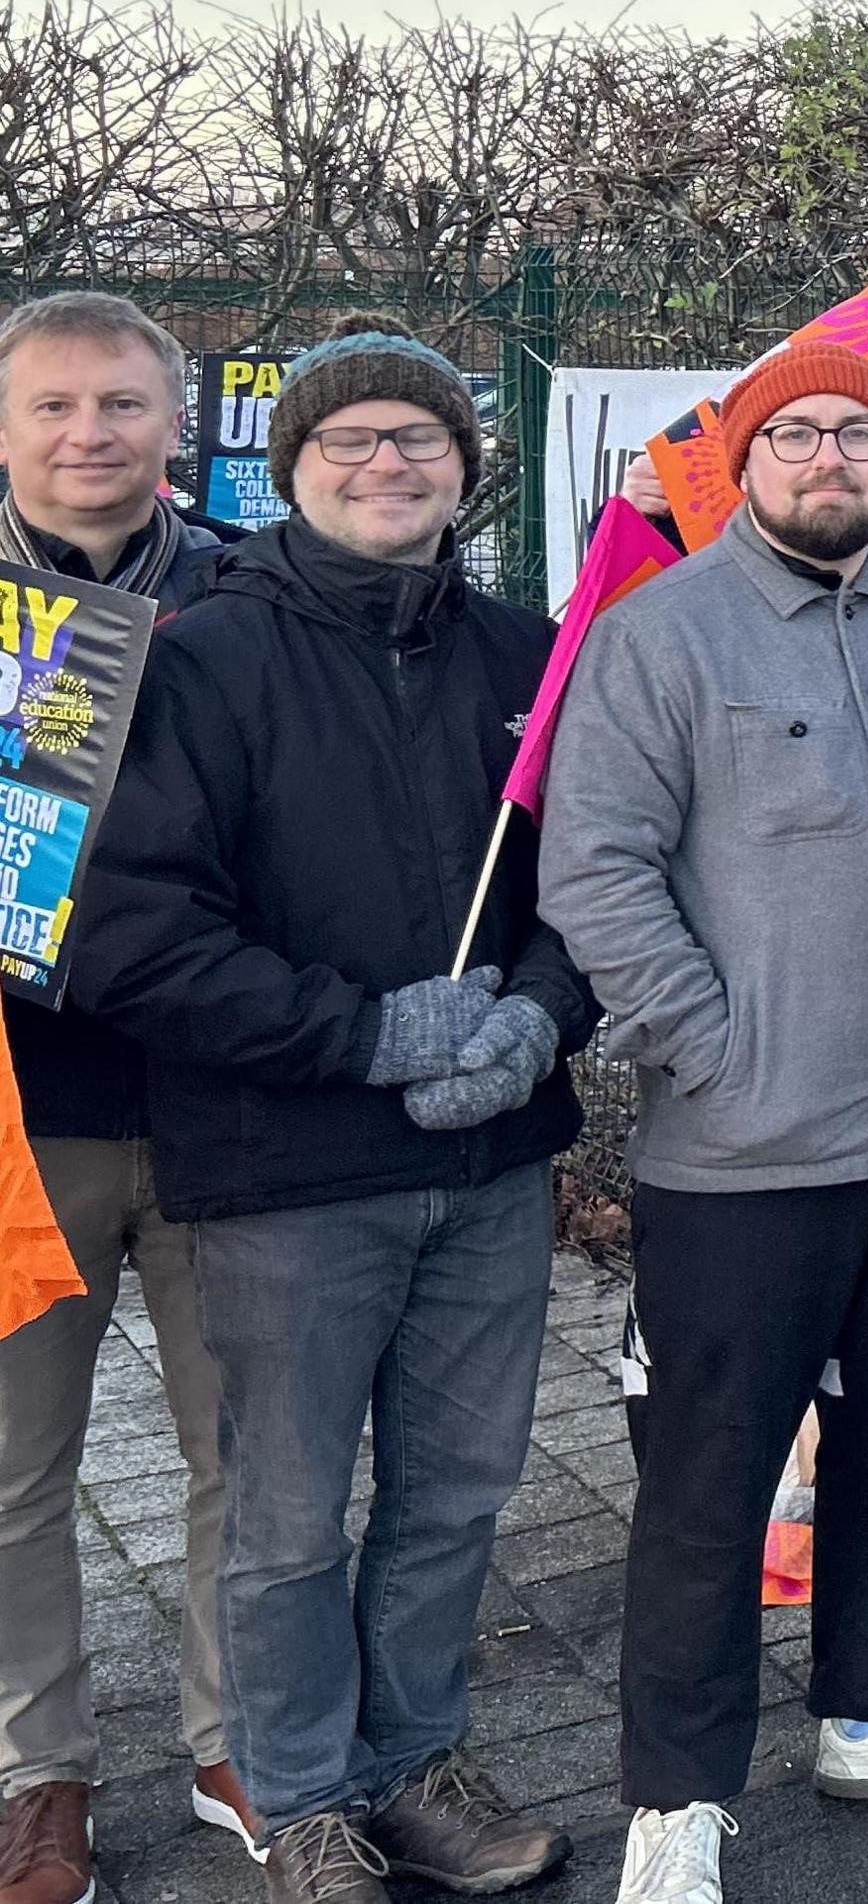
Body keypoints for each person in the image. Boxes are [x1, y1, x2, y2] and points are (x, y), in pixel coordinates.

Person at [537, 345, 868, 1904]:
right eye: (795, 433)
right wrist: (711, 1041)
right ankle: (676, 1797)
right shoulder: (661, 638)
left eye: (857, 432)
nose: (828, 454)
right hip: (746, 1139)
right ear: (743, 459)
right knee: (710, 1476)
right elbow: (599, 872)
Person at [79, 320, 593, 1904]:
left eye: (419, 439)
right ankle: (301, 1789)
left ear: (464, 468)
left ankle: (415, 1757)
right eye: (351, 440)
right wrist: (357, 1035)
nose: (389, 462)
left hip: (494, 1158)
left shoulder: (531, 654)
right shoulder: (194, 657)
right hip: (290, 1167)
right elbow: (130, 927)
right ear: (290, 468)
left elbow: (595, 877)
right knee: (291, 1514)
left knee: (454, 1493)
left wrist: (539, 1015)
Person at [0, 293, 258, 1900]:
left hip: (224, 1103)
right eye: (52, 407)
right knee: (15, 1467)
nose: (88, 434)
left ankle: (243, 1732)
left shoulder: (247, 598)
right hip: (17, 1116)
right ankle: (42, 1772)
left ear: (178, 423)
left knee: (248, 1446)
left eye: (120, 405)